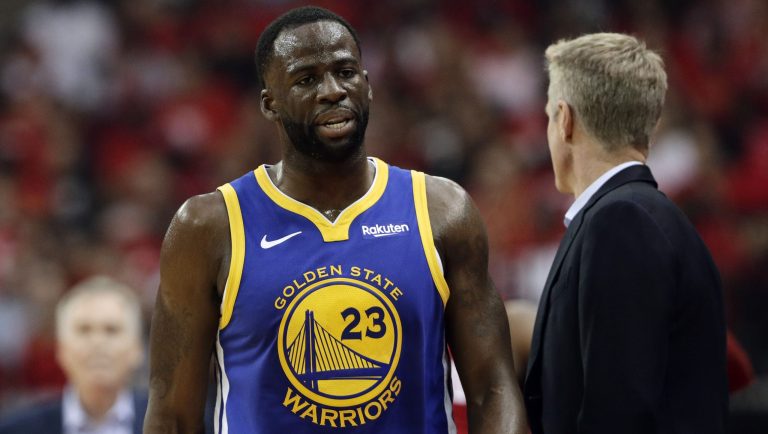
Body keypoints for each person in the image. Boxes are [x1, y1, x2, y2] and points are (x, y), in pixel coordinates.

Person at [143, 6, 526, 434]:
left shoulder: (441, 209)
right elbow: (171, 415)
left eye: (345, 72)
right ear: (270, 104)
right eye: (307, 79)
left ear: (368, 84)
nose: (332, 91)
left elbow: (492, 387)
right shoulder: (208, 227)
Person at [524, 32, 728, 434]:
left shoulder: (621, 222)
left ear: (565, 120)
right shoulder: (639, 216)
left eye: (549, 115)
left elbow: (618, 410)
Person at [0, 276, 147, 434]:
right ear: (61, 349)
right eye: (83, 330)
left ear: (137, 348)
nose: (97, 342)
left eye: (111, 330)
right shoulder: (16, 429)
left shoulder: (170, 426)